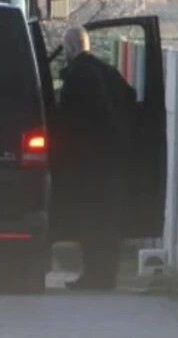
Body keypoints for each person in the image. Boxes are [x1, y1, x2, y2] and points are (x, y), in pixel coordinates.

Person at [56, 26, 137, 291]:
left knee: (91, 220)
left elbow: (67, 122)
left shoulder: (77, 77)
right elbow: (131, 97)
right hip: (116, 161)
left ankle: (93, 276)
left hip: (89, 165)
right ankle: (106, 277)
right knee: (109, 222)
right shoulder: (108, 72)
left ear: (69, 49)